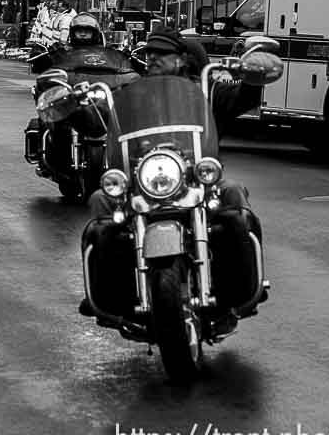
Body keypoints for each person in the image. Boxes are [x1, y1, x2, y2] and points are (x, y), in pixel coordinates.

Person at [81, 28, 280, 319]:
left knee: (234, 191)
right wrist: (76, 111)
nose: (153, 58)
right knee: (100, 200)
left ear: (181, 59)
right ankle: (107, 293)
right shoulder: (129, 94)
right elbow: (98, 122)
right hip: (142, 182)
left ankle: (248, 281)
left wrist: (253, 77)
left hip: (196, 180)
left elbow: (241, 99)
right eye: (149, 53)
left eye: (161, 53)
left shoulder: (204, 89)